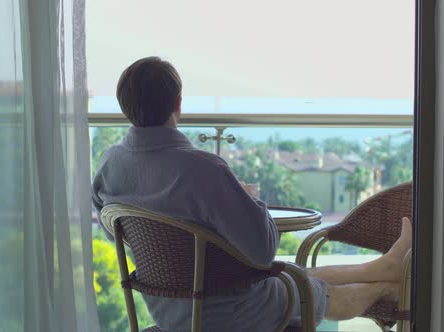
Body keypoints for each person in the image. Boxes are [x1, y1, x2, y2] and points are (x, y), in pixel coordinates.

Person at [92, 56, 412, 331]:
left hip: (168, 310)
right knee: (306, 289)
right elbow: (262, 253)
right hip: (231, 315)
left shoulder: (109, 165)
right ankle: (388, 289)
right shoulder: (204, 170)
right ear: (178, 103)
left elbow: (117, 234)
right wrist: (250, 200)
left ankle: (383, 267)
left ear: (125, 105)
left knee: (295, 278)